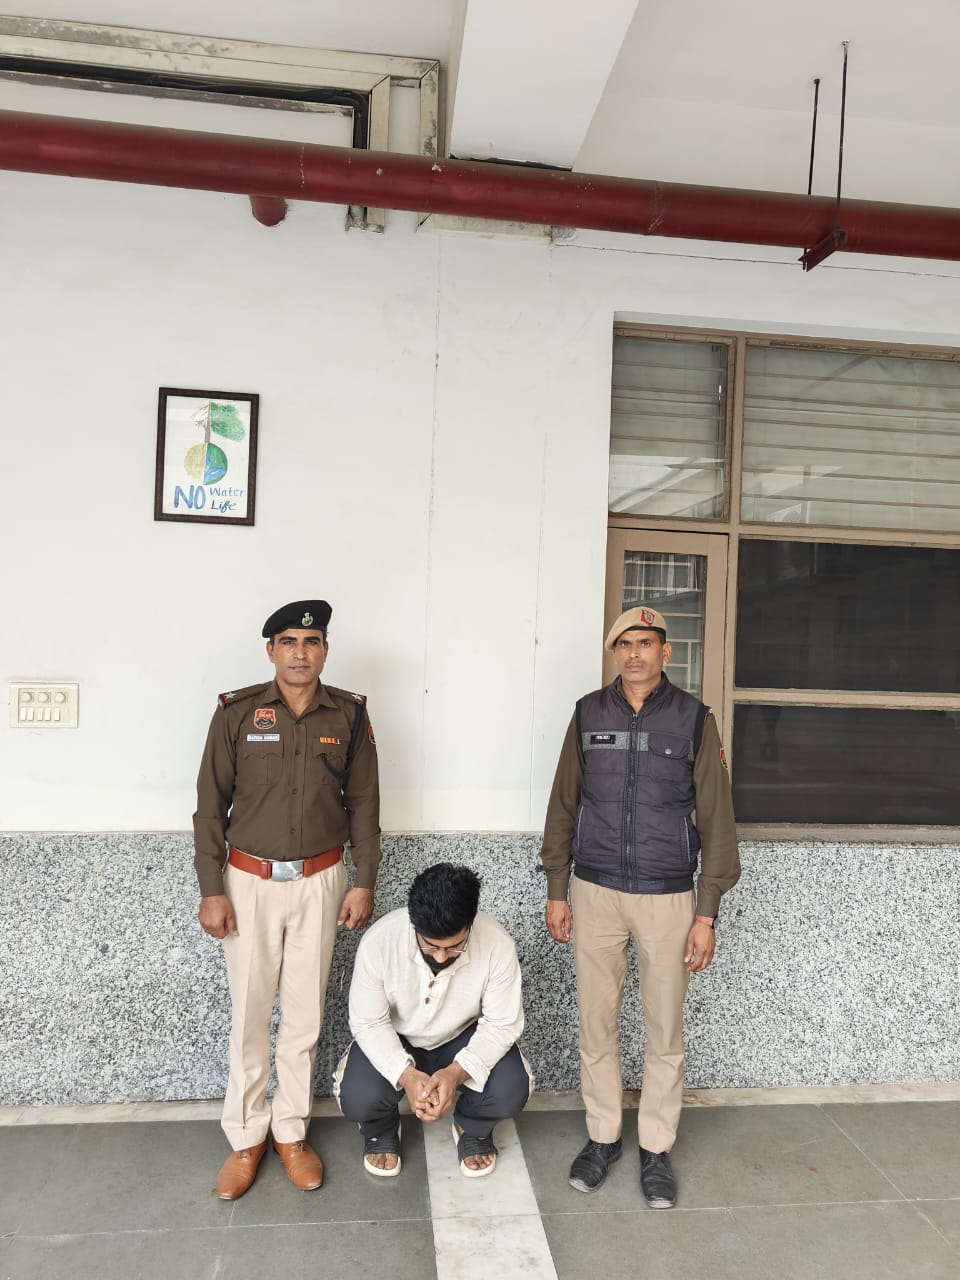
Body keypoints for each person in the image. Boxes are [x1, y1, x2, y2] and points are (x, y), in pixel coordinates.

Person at [540, 605, 740, 1208]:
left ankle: (656, 1147)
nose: (634, 653)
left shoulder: (694, 719)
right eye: (624, 643)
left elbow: (718, 819)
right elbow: (563, 804)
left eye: (645, 643)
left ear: (665, 652)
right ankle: (603, 1136)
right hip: (595, 892)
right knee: (596, 1024)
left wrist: (706, 912)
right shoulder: (588, 714)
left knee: (663, 1030)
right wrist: (557, 887)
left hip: (668, 897)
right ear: (614, 653)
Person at [194, 599, 381, 1200]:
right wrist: (211, 888)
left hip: (321, 882)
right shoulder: (237, 713)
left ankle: (291, 1133)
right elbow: (209, 808)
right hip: (248, 884)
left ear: (325, 649)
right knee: (250, 1015)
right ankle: (246, 1137)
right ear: (270, 650)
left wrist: (363, 880)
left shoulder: (348, 715)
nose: (301, 652)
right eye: (289, 642)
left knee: (304, 1016)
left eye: (312, 641)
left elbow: (364, 805)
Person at [334, 863, 531, 1178]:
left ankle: (472, 1127)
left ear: (470, 924)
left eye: (454, 947)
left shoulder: (497, 944)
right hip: (396, 1037)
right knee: (357, 1096)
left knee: (512, 1089)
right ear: (413, 923)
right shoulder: (379, 941)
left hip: (460, 1038)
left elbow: (502, 1024)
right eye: (430, 945)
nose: (440, 957)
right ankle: (380, 1128)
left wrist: (455, 1074)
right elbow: (369, 1022)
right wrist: (407, 1076)